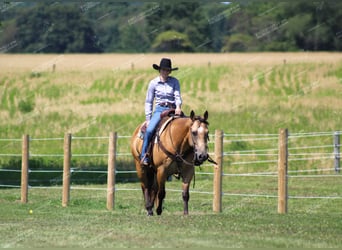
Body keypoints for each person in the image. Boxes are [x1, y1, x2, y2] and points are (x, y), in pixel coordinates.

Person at [140, 58, 183, 166]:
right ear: (160, 70)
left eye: (168, 70)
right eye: (163, 70)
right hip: (160, 110)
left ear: (170, 71)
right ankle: (144, 155)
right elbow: (149, 102)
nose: (165, 72)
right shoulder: (153, 83)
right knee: (149, 130)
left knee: (188, 128)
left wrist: (178, 106)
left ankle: (186, 157)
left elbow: (177, 96)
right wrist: (148, 119)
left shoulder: (175, 82)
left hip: (173, 109)